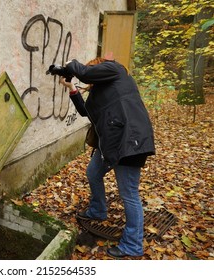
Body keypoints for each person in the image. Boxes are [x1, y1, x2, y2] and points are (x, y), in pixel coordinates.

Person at [58, 57, 155, 258]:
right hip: (111, 144)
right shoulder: (99, 92)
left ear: (100, 68)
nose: (91, 76)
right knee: (93, 172)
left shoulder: (116, 69)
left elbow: (84, 72)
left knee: (129, 194)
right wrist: (71, 88)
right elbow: (86, 112)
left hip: (130, 140)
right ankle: (98, 210)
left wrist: (70, 64)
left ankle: (133, 244)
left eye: (93, 70)